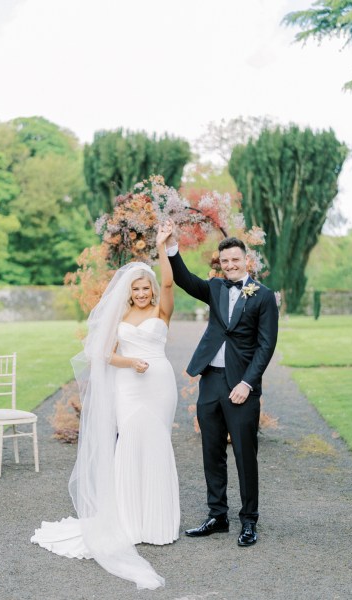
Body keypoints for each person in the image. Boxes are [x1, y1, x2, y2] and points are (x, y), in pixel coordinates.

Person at [31, 223, 179, 589]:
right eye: (137, 289)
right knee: (129, 441)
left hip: (160, 384)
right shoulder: (122, 318)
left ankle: (159, 523)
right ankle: (129, 522)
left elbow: (170, 284)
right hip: (130, 386)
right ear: (128, 293)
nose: (143, 292)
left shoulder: (162, 312)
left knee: (157, 442)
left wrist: (163, 247)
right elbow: (104, 354)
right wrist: (130, 363)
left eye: (146, 287)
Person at [165, 229, 278, 547]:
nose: (230, 264)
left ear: (246, 260)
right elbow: (186, 280)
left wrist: (247, 383)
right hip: (211, 381)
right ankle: (217, 516)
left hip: (242, 384)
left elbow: (266, 346)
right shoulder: (214, 287)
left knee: (245, 454)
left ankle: (249, 521)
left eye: (235, 259)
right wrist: (172, 247)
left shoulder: (263, 295)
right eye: (225, 260)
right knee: (211, 451)